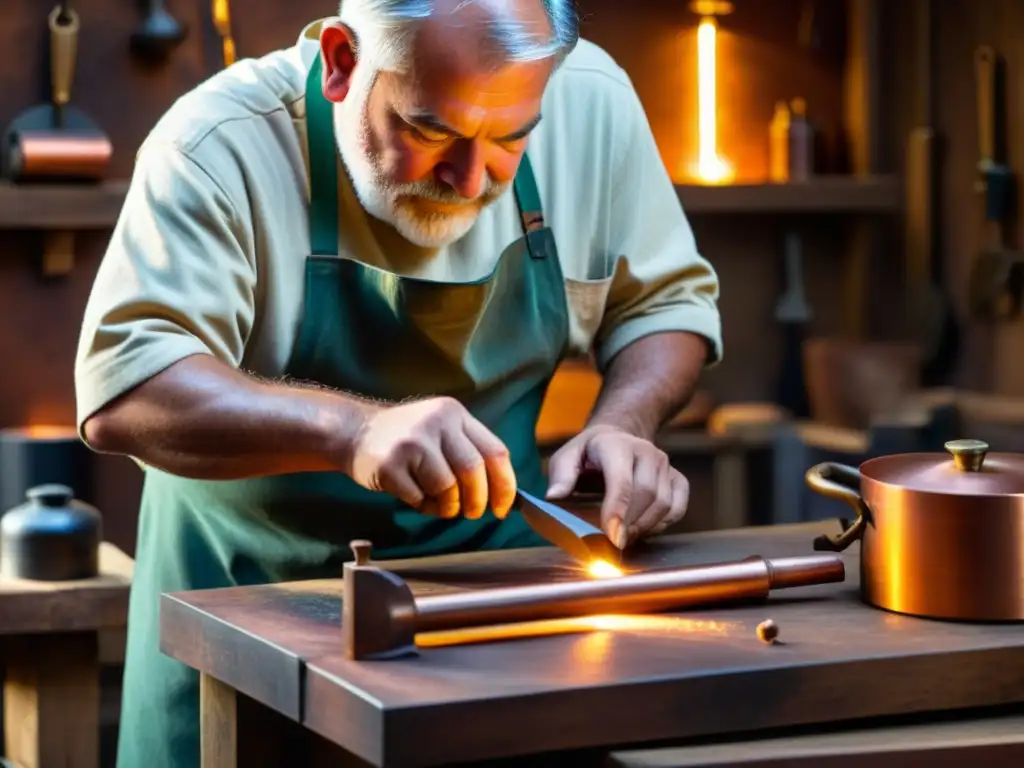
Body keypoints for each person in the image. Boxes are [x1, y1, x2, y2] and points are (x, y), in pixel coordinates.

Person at [74, 0, 722, 764]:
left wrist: (626, 424)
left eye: (511, 137)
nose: (471, 176)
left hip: (488, 620)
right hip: (240, 628)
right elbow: (127, 390)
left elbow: (666, 304)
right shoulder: (219, 143)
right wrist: (353, 431)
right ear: (344, 62)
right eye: (430, 129)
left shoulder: (590, 98)